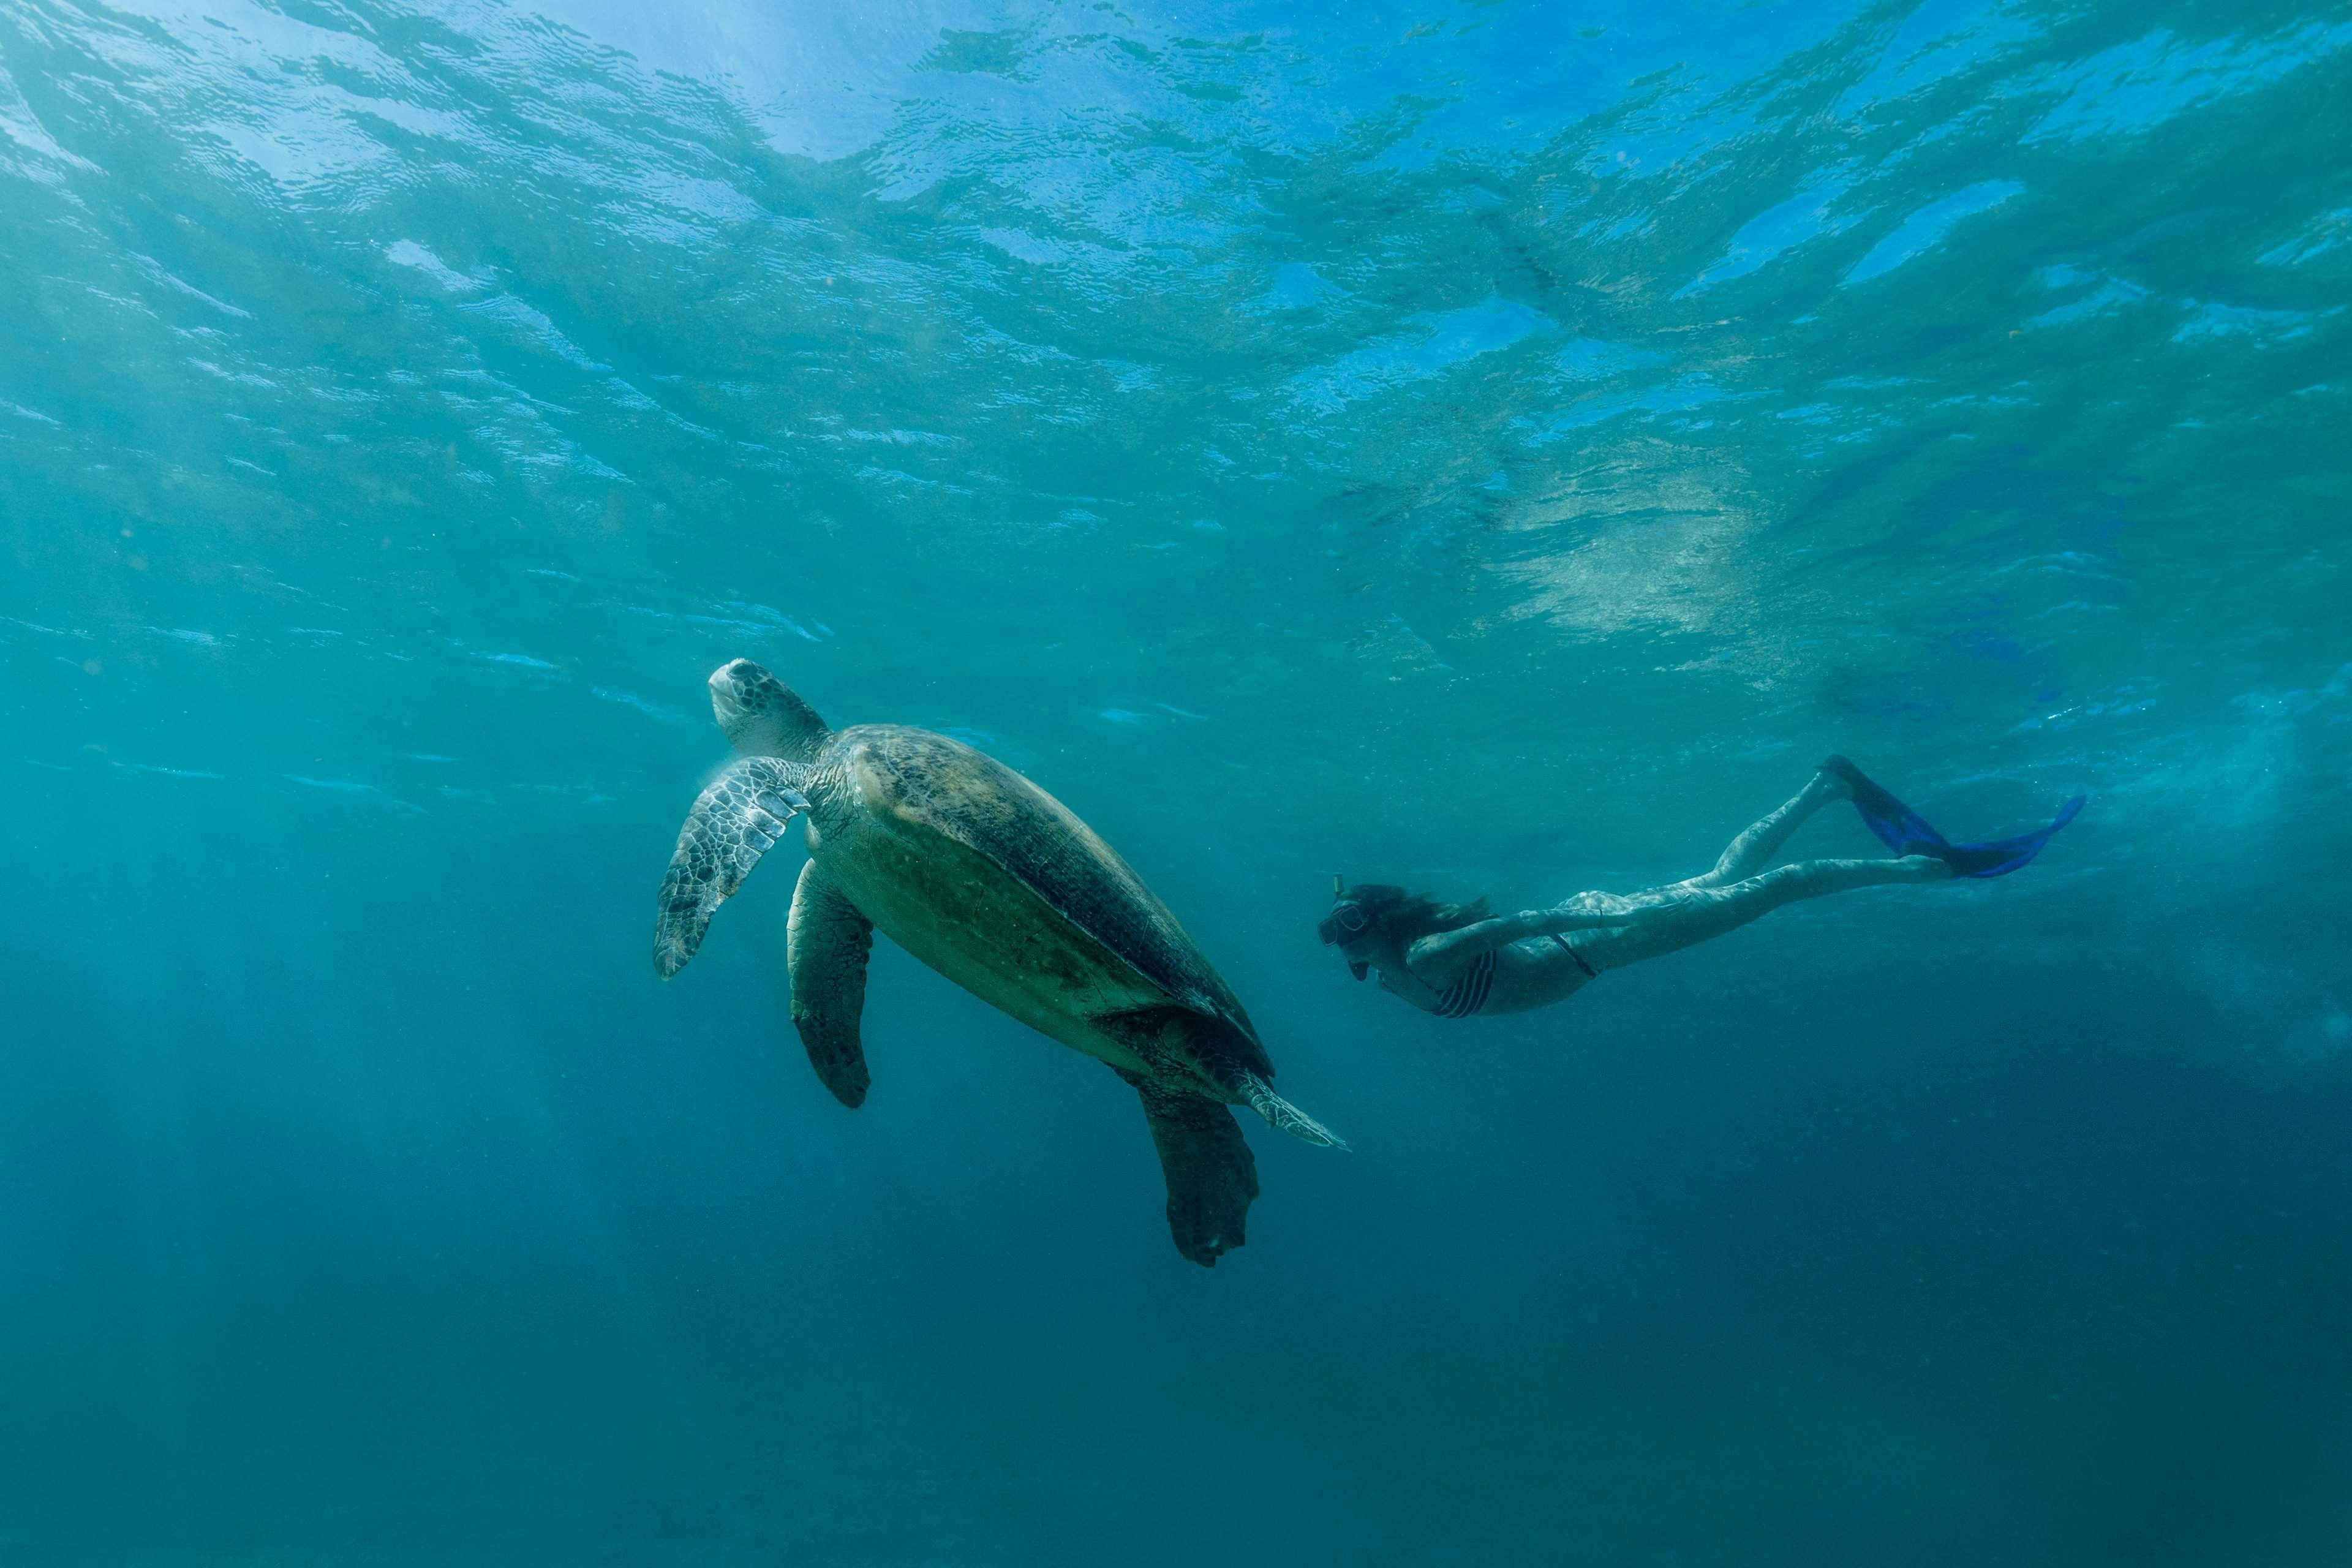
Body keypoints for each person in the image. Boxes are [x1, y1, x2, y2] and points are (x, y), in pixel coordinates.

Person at [1318, 756, 2082, 1020]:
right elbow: (1364, 947)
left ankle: (1928, 868)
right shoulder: (1375, 969)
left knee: (1779, 886)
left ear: (1382, 921)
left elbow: (1523, 921)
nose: (1340, 938)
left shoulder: (1425, 955)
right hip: (1591, 931)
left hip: (1599, 938)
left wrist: (1643, 912)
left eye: (1350, 922)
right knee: (1731, 877)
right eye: (1337, 929)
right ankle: (1826, 785)